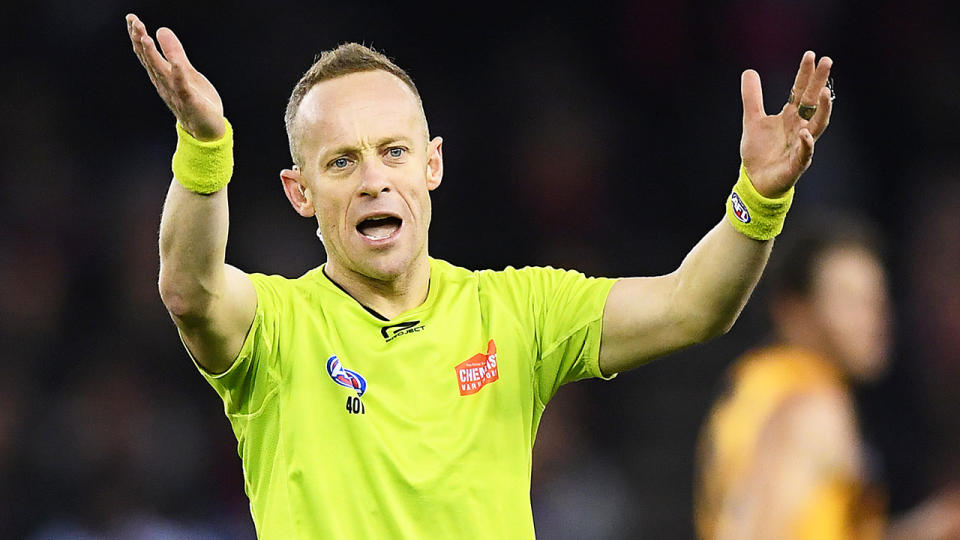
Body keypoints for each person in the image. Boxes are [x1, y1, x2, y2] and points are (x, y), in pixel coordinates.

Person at [125, 12, 834, 538]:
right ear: (298, 191)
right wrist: (205, 149)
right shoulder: (278, 328)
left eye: (393, 152)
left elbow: (693, 305)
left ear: (431, 165)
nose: (374, 180)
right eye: (341, 162)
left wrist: (760, 200)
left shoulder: (516, 311)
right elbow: (190, 289)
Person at [694, 216, 960, 540]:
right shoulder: (811, 407)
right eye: (851, 301)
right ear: (794, 309)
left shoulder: (757, 383)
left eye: (877, 299)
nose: (875, 319)